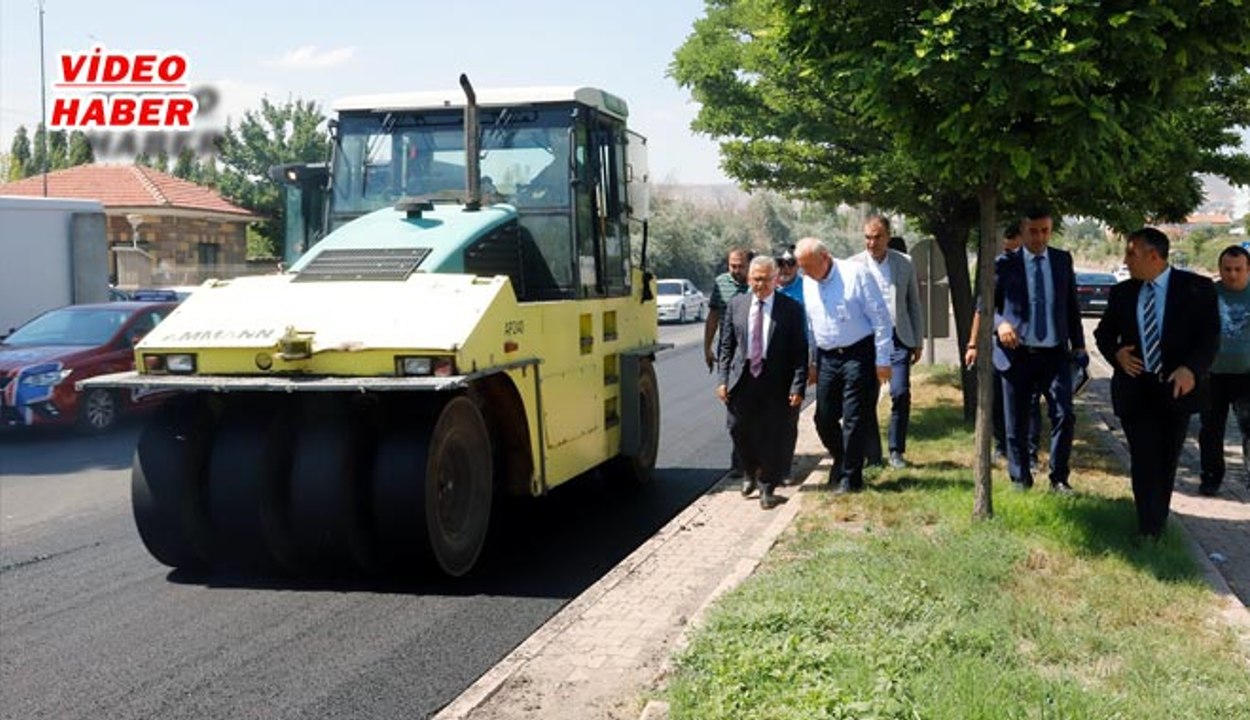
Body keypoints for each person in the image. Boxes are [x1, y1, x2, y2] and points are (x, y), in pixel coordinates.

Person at [1094, 228, 1219, 539]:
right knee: (1144, 458)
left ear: (1153, 256)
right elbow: (1103, 334)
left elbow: (1210, 338)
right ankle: (1147, 529)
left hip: (1175, 390)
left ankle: (1157, 523)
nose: (1126, 261)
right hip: (1136, 388)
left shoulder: (1197, 288)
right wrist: (1117, 354)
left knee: (1166, 460)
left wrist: (1191, 369)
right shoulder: (1123, 292)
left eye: (1131, 254)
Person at [992, 207, 1087, 493]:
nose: (1039, 237)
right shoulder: (1004, 264)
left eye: (1045, 231)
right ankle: (1020, 478)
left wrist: (1079, 345)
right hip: (1017, 353)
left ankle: (1059, 478)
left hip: (1055, 353)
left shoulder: (1061, 260)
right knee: (1016, 421)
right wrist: (1000, 324)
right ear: (1022, 231)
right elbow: (987, 306)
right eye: (1033, 231)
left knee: (1064, 414)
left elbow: (1071, 305)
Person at [795, 237, 893, 494]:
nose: (805, 272)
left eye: (808, 266)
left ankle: (851, 477)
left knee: (853, 417)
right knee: (823, 418)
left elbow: (881, 318)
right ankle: (842, 458)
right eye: (802, 267)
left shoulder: (856, 274)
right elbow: (812, 325)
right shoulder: (808, 282)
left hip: (858, 354)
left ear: (825, 257)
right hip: (827, 358)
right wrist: (813, 362)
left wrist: (883, 360)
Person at [716, 256, 809, 509]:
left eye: (766, 279)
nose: (761, 284)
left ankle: (768, 486)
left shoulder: (790, 309)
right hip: (743, 379)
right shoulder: (736, 305)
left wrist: (798, 386)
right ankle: (750, 470)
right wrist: (723, 379)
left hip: (776, 380)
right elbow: (726, 346)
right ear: (749, 279)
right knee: (737, 428)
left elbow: (800, 351)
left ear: (775, 279)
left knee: (772, 434)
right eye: (756, 279)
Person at [965, 222, 1042, 464]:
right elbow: (983, 308)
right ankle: (1001, 446)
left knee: (1030, 402)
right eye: (1007, 250)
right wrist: (972, 344)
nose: (1010, 255)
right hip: (1002, 350)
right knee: (999, 401)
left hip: (1032, 349)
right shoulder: (1000, 268)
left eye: (1014, 250)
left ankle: (1030, 454)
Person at [853, 216, 924, 469]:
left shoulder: (904, 263)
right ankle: (873, 454)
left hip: (897, 337)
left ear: (888, 237)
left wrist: (917, 341)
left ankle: (896, 450)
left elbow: (913, 303)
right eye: (867, 238)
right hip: (866, 340)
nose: (872, 243)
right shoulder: (853, 265)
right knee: (866, 397)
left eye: (877, 237)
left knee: (900, 392)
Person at [1197, 245, 1250, 496]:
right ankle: (1211, 477)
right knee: (1211, 430)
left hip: (1247, 374)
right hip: (1213, 375)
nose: (1232, 275)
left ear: (1248, 269)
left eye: (1238, 269)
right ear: (1219, 269)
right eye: (1227, 269)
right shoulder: (1208, 294)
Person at [705, 247, 753, 477]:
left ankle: (756, 458)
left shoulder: (758, 283)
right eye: (732, 266)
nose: (735, 270)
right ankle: (739, 461)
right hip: (729, 352)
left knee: (755, 408)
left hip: (753, 351)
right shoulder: (721, 283)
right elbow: (713, 316)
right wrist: (707, 347)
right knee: (734, 408)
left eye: (740, 266)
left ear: (749, 265)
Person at [775, 246, 804, 483]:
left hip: (795, 361)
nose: (785, 268)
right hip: (765, 364)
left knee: (787, 418)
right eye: (780, 263)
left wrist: (811, 363)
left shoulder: (808, 288)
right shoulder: (764, 287)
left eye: (790, 263)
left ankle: (783, 468)